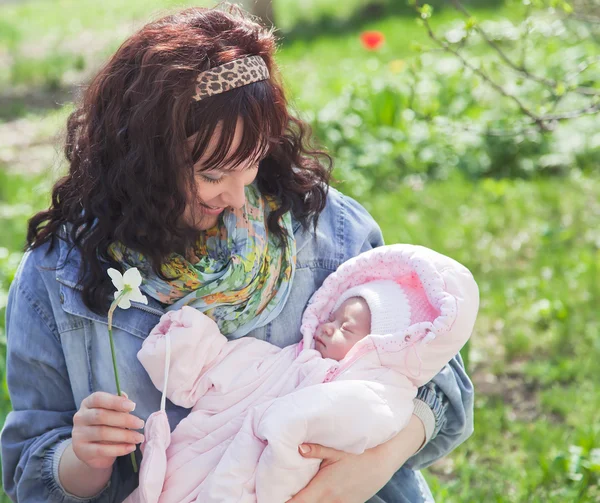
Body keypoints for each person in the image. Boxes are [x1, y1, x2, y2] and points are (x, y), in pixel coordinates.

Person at [1, 6, 474, 503]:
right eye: (211, 174)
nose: (235, 196)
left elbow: (439, 374)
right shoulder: (60, 277)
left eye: (249, 163)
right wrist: (83, 460)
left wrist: (363, 470)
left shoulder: (324, 226)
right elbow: (29, 471)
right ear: (141, 160)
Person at [125, 243, 478, 503]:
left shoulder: (376, 392)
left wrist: (284, 423)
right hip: (201, 465)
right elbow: (227, 366)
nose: (327, 327)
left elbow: (336, 418)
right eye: (330, 317)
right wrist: (185, 342)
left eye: (346, 328)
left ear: (381, 346)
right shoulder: (291, 359)